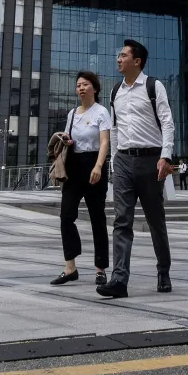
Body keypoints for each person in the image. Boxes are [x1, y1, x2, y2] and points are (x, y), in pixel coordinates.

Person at [97, 38, 177, 299]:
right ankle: (119, 279)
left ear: (137, 61)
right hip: (123, 162)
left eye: (123, 56)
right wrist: (114, 161)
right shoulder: (115, 92)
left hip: (151, 161)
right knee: (122, 220)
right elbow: (116, 128)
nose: (118, 60)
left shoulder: (154, 86)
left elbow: (167, 123)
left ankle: (163, 271)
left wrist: (165, 157)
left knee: (156, 221)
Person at [53, 70, 111, 286]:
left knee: (97, 218)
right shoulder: (72, 114)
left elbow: (105, 141)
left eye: (85, 84)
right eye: (78, 85)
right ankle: (70, 268)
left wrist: (98, 166)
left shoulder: (101, 112)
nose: (80, 88)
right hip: (74, 166)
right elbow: (71, 139)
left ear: (94, 88)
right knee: (66, 216)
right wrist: (66, 140)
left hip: (94, 165)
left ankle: (100, 268)